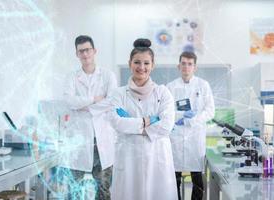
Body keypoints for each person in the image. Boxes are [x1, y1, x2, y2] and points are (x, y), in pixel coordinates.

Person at [108, 38, 178, 200]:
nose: (141, 67)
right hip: (128, 157)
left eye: (146, 63)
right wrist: (147, 121)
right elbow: (116, 122)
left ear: (153, 65)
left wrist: (131, 124)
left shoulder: (163, 93)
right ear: (130, 63)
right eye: (137, 62)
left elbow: (166, 125)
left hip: (157, 156)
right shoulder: (118, 94)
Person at [62, 35, 117, 200]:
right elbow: (69, 101)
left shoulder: (108, 75)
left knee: (103, 189)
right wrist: (94, 99)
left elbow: (111, 102)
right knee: (74, 189)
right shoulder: (71, 77)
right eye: (81, 51)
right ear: (77, 54)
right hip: (79, 139)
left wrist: (85, 108)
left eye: (87, 50)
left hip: (102, 139)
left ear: (94, 51)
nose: (85, 54)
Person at [166, 51, 215, 200]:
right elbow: (166, 112)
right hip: (176, 137)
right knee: (174, 179)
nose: (186, 67)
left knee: (197, 180)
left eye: (190, 64)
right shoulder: (170, 86)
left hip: (195, 137)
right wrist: (180, 116)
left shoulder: (203, 85)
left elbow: (210, 111)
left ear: (195, 67)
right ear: (178, 66)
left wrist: (193, 120)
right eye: (183, 64)